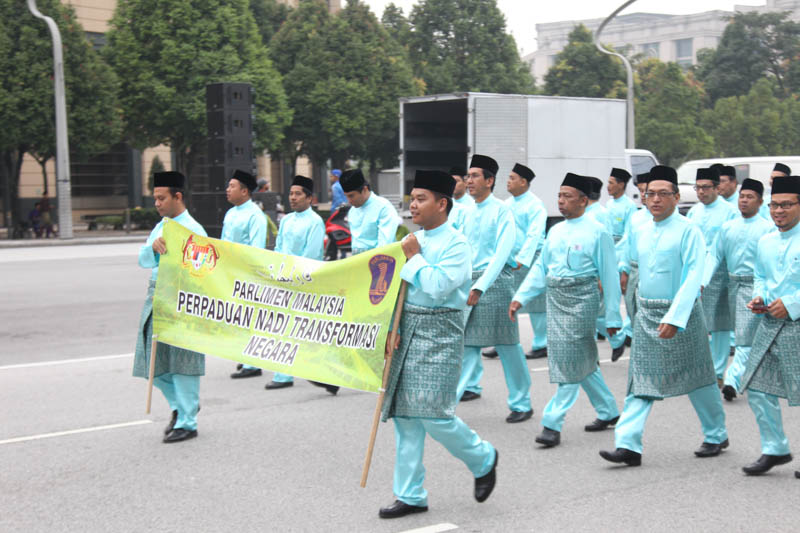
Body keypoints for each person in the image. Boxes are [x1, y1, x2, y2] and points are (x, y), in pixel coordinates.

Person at [378, 169, 498, 519]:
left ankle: (483, 457)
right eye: (412, 199)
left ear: (442, 204)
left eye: (421, 199)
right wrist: (392, 328)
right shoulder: (412, 240)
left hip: (440, 332)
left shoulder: (457, 244)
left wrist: (414, 258)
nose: (413, 205)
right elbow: (398, 290)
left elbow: (438, 286)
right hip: (407, 330)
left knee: (433, 413)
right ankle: (410, 494)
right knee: (405, 417)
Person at [600, 165, 729, 467]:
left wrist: (675, 317)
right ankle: (628, 445)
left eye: (662, 194)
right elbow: (632, 263)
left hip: (682, 316)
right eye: (650, 194)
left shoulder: (688, 230)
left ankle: (716, 434)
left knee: (699, 379)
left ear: (676, 197)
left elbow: (694, 275)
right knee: (640, 379)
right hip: (647, 313)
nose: (655, 200)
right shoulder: (641, 228)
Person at [510, 172, 621, 447]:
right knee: (582, 360)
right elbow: (541, 268)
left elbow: (610, 277)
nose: (561, 201)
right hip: (556, 301)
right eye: (559, 196)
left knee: (569, 362)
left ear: (583, 200)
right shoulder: (556, 230)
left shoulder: (598, 231)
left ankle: (552, 423)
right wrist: (520, 297)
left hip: (582, 302)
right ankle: (608, 410)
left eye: (567, 196)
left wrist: (613, 318)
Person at [455, 155, 532, 423]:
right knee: (467, 344)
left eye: (475, 176)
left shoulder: (502, 210)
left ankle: (522, 403)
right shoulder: (465, 211)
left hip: (496, 284)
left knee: (507, 345)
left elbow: (502, 253)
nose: (469, 181)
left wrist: (481, 286)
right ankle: (450, 401)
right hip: (471, 283)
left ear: (489, 181)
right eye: (468, 176)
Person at [133, 171, 207, 443]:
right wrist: (153, 248)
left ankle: (188, 422)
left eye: (161, 198)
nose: (157, 203)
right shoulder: (160, 226)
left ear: (178, 197)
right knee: (151, 363)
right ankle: (180, 406)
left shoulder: (194, 230)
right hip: (156, 299)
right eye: (155, 198)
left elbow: (202, 271)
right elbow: (143, 260)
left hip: (182, 302)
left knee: (182, 364)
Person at [740, 175, 800, 477]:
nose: (778, 211)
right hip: (769, 324)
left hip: (797, 324)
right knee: (758, 387)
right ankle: (775, 448)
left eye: (786, 205)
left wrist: (791, 303)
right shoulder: (765, 240)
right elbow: (760, 276)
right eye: (775, 205)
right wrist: (759, 296)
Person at [263, 176, 337, 394]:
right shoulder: (286, 220)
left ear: (309, 198)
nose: (293, 198)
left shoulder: (315, 222)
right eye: (291, 193)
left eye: (298, 194)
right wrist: (276, 273)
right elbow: (279, 248)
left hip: (304, 284)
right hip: (283, 281)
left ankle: (328, 374)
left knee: (307, 330)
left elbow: (311, 255)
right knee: (282, 327)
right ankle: (283, 375)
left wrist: (294, 279)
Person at [704, 179, 773, 401]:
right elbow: (715, 255)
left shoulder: (768, 229)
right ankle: (729, 374)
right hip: (731, 285)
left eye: (750, 197)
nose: (744, 201)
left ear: (760, 202)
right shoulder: (728, 228)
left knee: (744, 337)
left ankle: (732, 379)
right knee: (732, 332)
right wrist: (703, 281)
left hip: (755, 288)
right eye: (742, 196)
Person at [484, 163, 547, 360]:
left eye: (512, 178)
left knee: (535, 302)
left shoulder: (535, 205)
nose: (508, 182)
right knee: (506, 299)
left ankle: (542, 343)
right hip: (510, 259)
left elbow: (534, 234)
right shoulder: (506, 204)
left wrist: (523, 258)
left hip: (531, 257)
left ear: (523, 182)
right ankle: (503, 341)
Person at [687, 167, 738, 384]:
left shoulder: (730, 212)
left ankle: (717, 371)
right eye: (698, 187)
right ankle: (699, 367)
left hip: (721, 275)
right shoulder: (693, 212)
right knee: (696, 321)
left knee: (720, 324)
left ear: (717, 188)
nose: (701, 192)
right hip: (696, 273)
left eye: (706, 187)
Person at [224, 170, 269, 380]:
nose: (227, 190)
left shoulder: (255, 215)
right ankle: (245, 355)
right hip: (231, 273)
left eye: (232, 186)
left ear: (244, 191)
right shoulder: (230, 213)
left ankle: (253, 364)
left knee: (250, 318)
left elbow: (256, 249)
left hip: (247, 275)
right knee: (238, 318)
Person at [588, 176, 629, 360]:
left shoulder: (599, 215)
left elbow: (606, 248)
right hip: (588, 271)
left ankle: (618, 338)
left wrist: (602, 276)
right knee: (589, 316)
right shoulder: (589, 213)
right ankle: (592, 358)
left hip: (598, 270)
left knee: (596, 314)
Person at [615, 172, 653, 361]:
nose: (644, 195)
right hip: (634, 271)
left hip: (652, 274)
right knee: (633, 312)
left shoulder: (663, 218)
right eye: (642, 191)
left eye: (648, 191)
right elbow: (627, 245)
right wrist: (624, 270)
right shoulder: (637, 217)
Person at [340, 169, 400, 255]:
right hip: (358, 261)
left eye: (351, 196)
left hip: (380, 261)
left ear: (364, 189)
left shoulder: (383, 208)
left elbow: (384, 246)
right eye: (346, 196)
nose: (349, 201)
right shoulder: (352, 211)